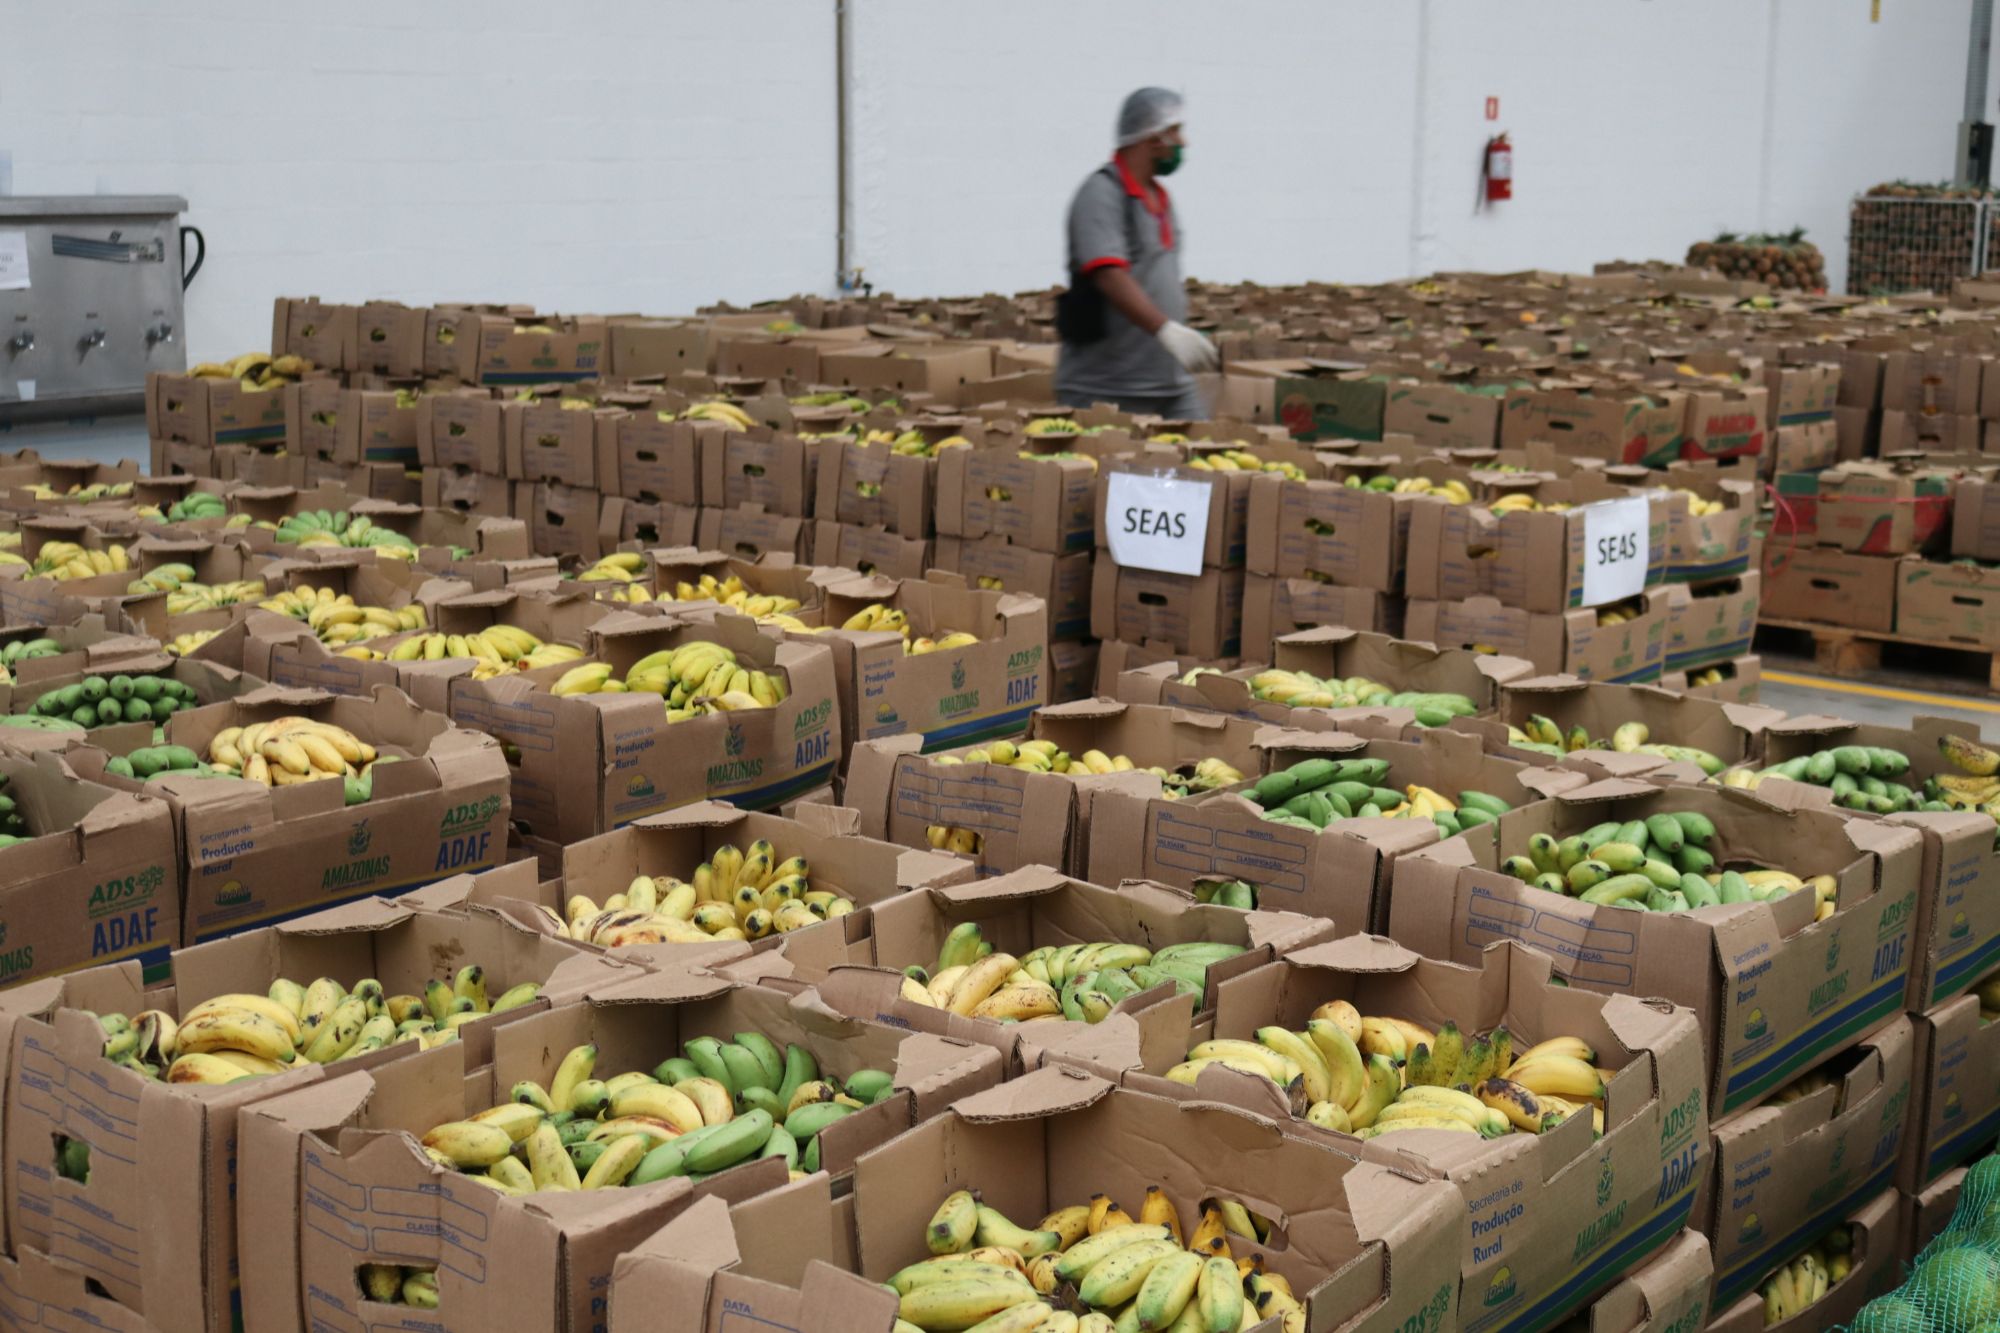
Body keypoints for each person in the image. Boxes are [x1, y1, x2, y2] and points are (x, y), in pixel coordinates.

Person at [1055, 87, 1217, 421]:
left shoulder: (1160, 198)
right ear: (1152, 137)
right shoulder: (1101, 194)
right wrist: (1164, 329)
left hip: (1171, 386)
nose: (1183, 142)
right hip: (1107, 391)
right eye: (1175, 132)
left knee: (1203, 465)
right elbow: (1108, 273)